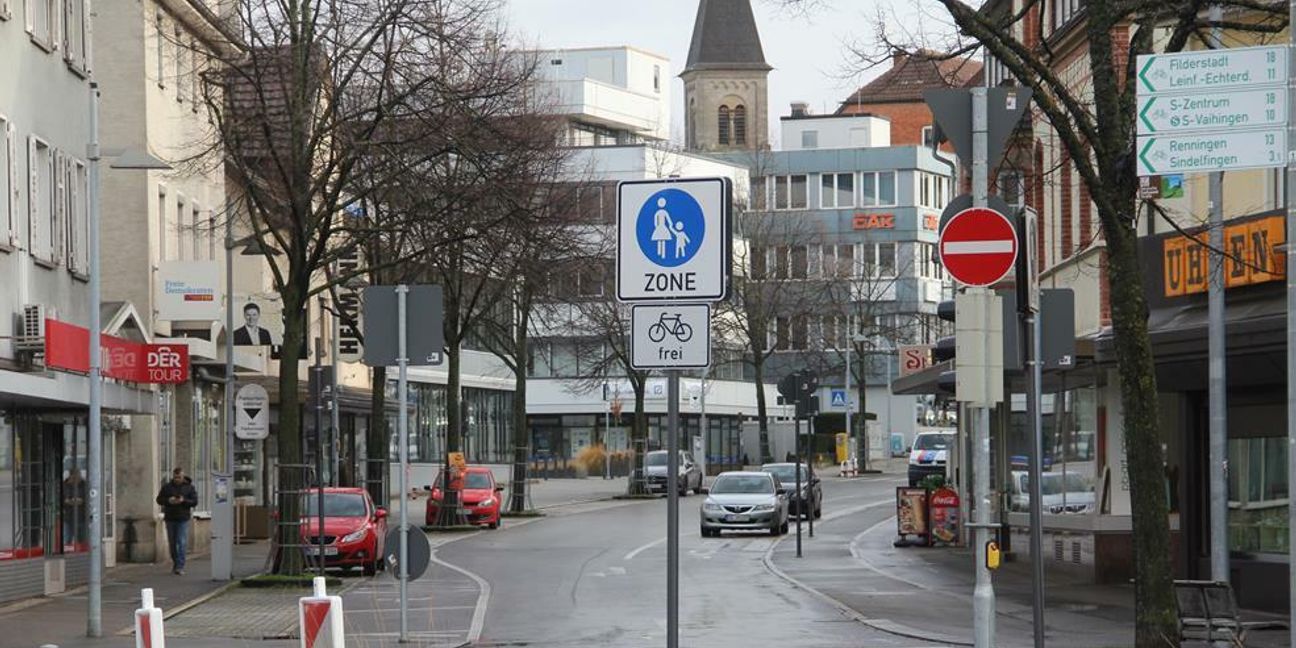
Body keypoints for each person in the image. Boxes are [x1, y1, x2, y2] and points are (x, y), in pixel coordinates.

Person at [155, 468, 198, 574]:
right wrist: (169, 500)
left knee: (181, 542)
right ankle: (175, 562)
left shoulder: (189, 487)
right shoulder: (167, 487)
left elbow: (194, 501)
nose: (177, 479)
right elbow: (159, 499)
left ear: (183, 477)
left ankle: (180, 565)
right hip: (170, 518)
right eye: (175, 477)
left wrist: (184, 501)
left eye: (179, 477)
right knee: (172, 543)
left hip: (183, 518)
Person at [62, 467, 86, 548]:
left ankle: (82, 556)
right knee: (67, 541)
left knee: (82, 541)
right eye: (75, 476)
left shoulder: (84, 485)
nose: (78, 478)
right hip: (68, 517)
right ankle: (68, 555)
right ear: (71, 476)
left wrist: (81, 501)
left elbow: (88, 499)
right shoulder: (65, 485)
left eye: (79, 475)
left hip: (81, 517)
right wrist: (68, 501)